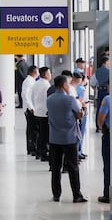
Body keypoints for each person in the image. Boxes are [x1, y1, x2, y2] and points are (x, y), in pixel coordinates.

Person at [47, 75, 87, 203]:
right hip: (69, 138)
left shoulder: (49, 99)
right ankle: (76, 195)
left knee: (56, 168)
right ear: (64, 85)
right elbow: (79, 114)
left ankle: (56, 194)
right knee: (73, 167)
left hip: (54, 138)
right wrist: (83, 110)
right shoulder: (70, 99)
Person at [32, 66, 51, 162]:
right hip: (45, 112)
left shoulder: (36, 83)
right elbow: (47, 100)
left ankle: (38, 153)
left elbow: (32, 97)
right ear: (46, 74)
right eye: (49, 73)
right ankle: (44, 154)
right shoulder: (47, 85)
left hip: (37, 111)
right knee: (45, 135)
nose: (50, 75)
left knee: (40, 134)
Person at [22, 65, 38, 157]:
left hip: (30, 108)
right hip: (30, 109)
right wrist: (31, 107)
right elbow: (26, 95)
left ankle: (32, 147)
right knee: (32, 129)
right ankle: (31, 148)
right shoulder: (29, 81)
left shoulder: (31, 81)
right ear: (34, 72)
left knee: (32, 129)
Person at [97, 94, 111, 203]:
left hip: (109, 136)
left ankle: (107, 195)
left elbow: (101, 118)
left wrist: (102, 128)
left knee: (108, 165)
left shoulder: (107, 99)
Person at [73, 72, 88, 160]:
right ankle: (79, 151)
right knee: (81, 132)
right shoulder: (82, 88)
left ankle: (79, 151)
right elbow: (81, 100)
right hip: (82, 109)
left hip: (77, 110)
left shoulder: (74, 87)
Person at [95, 56, 110, 132]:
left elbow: (94, 82)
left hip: (100, 90)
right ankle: (106, 124)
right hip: (107, 91)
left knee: (100, 109)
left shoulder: (97, 71)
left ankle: (98, 126)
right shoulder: (109, 71)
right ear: (106, 62)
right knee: (107, 108)